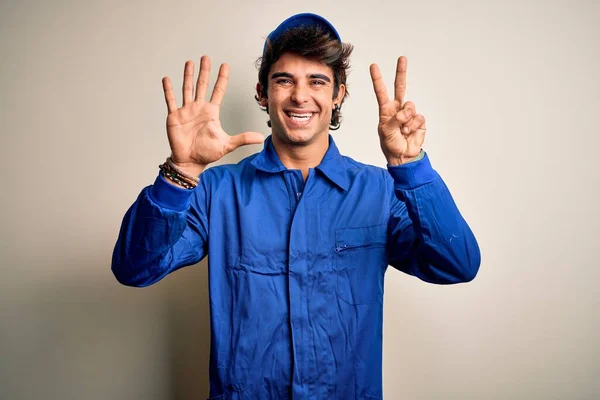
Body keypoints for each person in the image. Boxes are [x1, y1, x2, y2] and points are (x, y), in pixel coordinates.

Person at [112, 12, 480, 400]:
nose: (300, 96)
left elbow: (457, 264)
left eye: (317, 81)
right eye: (284, 80)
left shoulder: (382, 191)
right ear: (262, 92)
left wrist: (411, 167)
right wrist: (180, 170)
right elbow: (134, 268)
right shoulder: (215, 191)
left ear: (338, 94)